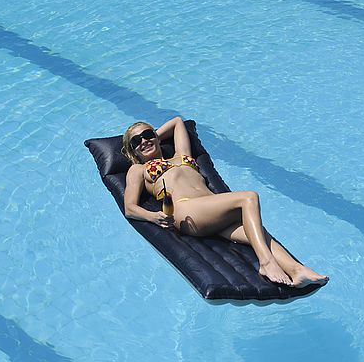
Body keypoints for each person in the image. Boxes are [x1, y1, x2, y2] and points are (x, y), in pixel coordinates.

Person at [122, 116, 328, 288]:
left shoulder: (181, 155)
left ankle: (297, 270)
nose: (144, 141)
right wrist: (154, 217)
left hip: (211, 210)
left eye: (147, 135)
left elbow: (177, 122)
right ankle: (266, 262)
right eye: (136, 141)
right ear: (133, 151)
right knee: (248, 197)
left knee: (256, 232)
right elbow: (130, 207)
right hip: (186, 212)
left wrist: (152, 137)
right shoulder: (138, 169)